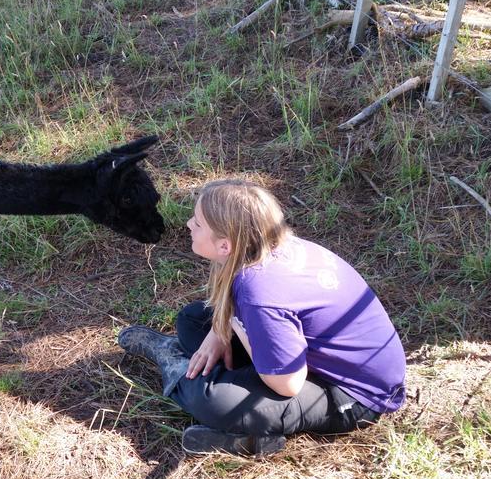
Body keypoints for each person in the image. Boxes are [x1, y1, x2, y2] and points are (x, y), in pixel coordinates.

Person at [118, 179, 406, 457]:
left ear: (225, 246)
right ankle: (228, 399)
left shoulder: (260, 292)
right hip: (311, 357)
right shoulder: (267, 246)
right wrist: (220, 331)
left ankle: (177, 367)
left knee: (211, 399)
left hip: (353, 394)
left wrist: (237, 326)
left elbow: (288, 384)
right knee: (193, 321)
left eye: (198, 223)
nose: (188, 225)